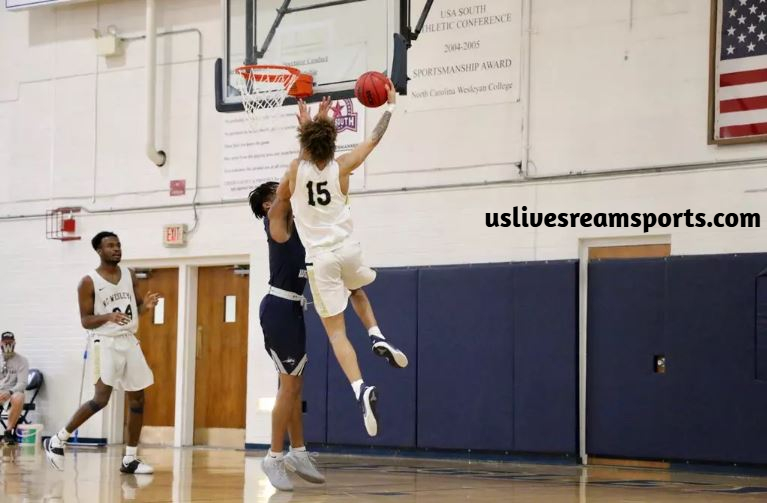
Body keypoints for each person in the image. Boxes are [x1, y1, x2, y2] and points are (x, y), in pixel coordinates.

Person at [274, 82, 407, 438]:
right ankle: (377, 335)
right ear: (333, 143)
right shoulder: (343, 166)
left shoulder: (294, 170)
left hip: (320, 259)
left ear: (304, 142)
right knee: (359, 291)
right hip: (348, 249)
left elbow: (302, 162)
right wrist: (390, 107)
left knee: (336, 333)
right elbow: (372, 141)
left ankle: (360, 387)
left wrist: (310, 123)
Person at [44, 231, 160, 474]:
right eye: (111, 246)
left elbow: (134, 310)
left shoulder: (129, 274)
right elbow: (86, 320)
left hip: (129, 340)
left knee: (138, 399)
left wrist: (145, 308)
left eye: (118, 245)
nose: (117, 249)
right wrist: (108, 316)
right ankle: (57, 440)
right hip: (103, 342)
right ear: (99, 250)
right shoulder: (88, 281)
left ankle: (130, 459)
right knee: (100, 399)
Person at [0, 331, 29, 445]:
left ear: (14, 343)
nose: (8, 344)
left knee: (19, 396)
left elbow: (22, 383)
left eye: (10, 342)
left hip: (12, 392)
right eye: (5, 342)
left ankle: (8, 432)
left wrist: (9, 392)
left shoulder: (22, 361)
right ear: (1, 343)